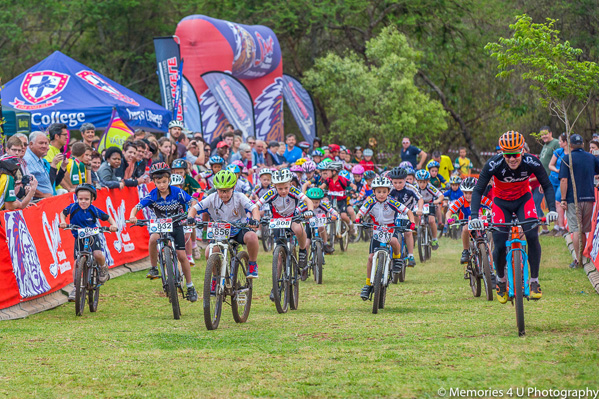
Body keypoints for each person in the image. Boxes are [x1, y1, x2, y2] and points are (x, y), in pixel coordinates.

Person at [470, 131, 557, 302]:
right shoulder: (493, 164)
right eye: (507, 155)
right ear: (502, 153)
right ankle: (501, 281)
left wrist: (552, 209)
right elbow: (478, 189)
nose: (512, 159)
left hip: (524, 201)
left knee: (532, 236)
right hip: (501, 203)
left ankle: (534, 281)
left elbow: (547, 185)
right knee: (500, 243)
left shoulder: (531, 161)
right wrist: (474, 216)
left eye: (515, 154)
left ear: (522, 151)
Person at [129, 162, 198, 302]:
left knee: (182, 255)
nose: (162, 185)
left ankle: (190, 286)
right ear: (154, 182)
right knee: (153, 239)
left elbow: (193, 202)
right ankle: (154, 267)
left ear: (169, 180)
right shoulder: (152, 195)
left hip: (177, 224)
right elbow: (137, 207)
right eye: (158, 182)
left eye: (164, 181)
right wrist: (132, 216)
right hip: (160, 225)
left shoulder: (177, 192)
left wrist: (191, 214)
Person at [188, 170, 261, 278]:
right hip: (220, 232)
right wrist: (190, 218)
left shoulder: (240, 196)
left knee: (252, 237)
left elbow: (254, 208)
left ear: (233, 188)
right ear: (216, 189)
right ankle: (215, 278)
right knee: (209, 252)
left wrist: (255, 220)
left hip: (239, 229)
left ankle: (252, 264)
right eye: (221, 191)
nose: (224, 194)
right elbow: (194, 208)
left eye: (227, 191)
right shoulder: (212, 197)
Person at [356, 176, 415, 300]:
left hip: (390, 229)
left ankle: (398, 258)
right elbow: (361, 212)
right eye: (378, 192)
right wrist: (358, 218)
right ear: (374, 192)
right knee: (371, 257)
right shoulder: (370, 201)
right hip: (377, 230)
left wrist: (412, 222)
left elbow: (408, 211)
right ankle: (367, 284)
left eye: (384, 192)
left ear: (388, 192)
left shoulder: (392, 202)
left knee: (394, 241)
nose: (381, 194)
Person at [60, 183, 119, 301]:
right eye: (80, 199)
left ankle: (103, 268)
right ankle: (76, 288)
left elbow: (107, 217)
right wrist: (62, 221)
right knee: (77, 263)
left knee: (97, 254)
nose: (83, 202)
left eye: (86, 199)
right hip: (79, 238)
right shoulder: (73, 207)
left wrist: (113, 225)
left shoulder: (94, 210)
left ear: (92, 199)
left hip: (93, 235)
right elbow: (63, 213)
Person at [255, 169, 314, 270]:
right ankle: (277, 282)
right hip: (277, 220)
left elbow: (308, 200)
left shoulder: (293, 190)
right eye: (280, 188)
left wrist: (310, 211)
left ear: (291, 184)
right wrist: (256, 219)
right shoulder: (271, 193)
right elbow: (256, 206)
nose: (283, 191)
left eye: (286, 188)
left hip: (292, 217)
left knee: (299, 229)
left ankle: (303, 251)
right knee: (278, 255)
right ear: (274, 186)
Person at [559, 134, 599, 268]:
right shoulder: (591, 157)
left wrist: (563, 199)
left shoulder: (567, 158)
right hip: (589, 197)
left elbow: (563, 180)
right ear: (582, 144)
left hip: (572, 198)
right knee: (583, 229)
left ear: (570, 145)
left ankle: (578, 260)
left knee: (575, 229)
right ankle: (582, 257)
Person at [445, 177, 493, 265]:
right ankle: (465, 251)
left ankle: (490, 264)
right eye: (465, 193)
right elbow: (449, 212)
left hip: (481, 223)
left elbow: (494, 206)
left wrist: (491, 212)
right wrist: (449, 219)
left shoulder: (481, 198)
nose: (468, 196)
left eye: (471, 193)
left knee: (490, 236)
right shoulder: (461, 200)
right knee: (465, 229)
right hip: (467, 222)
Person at [388, 167, 421, 266]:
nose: (397, 185)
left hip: (407, 213)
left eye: (400, 182)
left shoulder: (410, 188)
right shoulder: (389, 188)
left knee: (408, 233)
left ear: (405, 180)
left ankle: (410, 255)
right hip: (393, 213)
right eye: (395, 182)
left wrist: (420, 208)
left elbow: (420, 199)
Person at [320, 161, 358, 236]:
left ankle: (351, 225)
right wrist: (319, 189)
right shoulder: (328, 180)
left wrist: (353, 190)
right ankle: (328, 230)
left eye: (328, 171)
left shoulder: (342, 180)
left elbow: (354, 186)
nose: (327, 172)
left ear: (334, 171)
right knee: (328, 213)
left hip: (342, 201)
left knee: (343, 216)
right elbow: (322, 186)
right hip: (332, 200)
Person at [414, 169, 443, 250]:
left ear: (428, 181)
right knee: (415, 213)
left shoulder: (430, 187)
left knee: (431, 221)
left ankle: (434, 239)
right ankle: (416, 228)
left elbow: (441, 195)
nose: (422, 184)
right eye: (420, 182)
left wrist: (437, 201)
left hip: (430, 204)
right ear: (417, 181)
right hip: (419, 204)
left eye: (424, 182)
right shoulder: (415, 187)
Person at [304, 187, 338, 255]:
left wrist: (334, 216)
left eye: (316, 202)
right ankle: (305, 260)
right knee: (307, 244)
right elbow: (297, 211)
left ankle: (325, 244)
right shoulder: (305, 205)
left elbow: (334, 211)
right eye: (312, 202)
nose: (314, 205)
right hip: (309, 224)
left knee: (322, 227)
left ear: (320, 200)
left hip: (320, 223)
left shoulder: (324, 205)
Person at [547, 133, 568, 235]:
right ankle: (555, 227)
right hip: (553, 179)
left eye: (560, 141)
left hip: (563, 181)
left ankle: (562, 227)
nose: (559, 143)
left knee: (558, 202)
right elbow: (550, 165)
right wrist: (557, 170)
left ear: (566, 142)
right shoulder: (558, 151)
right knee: (553, 203)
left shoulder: (571, 154)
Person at [24, 131, 54, 199]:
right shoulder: (28, 159)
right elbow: (27, 185)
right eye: (41, 143)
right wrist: (43, 195)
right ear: (31, 144)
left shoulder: (38, 157)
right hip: (37, 202)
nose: (44, 146)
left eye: (46, 143)